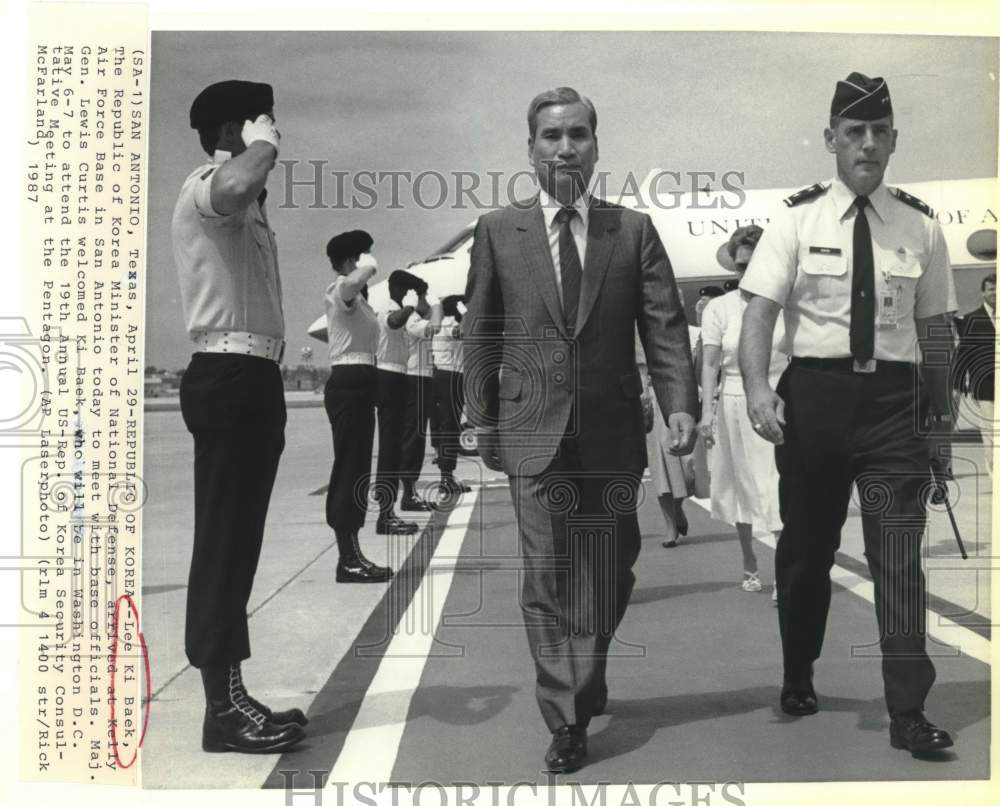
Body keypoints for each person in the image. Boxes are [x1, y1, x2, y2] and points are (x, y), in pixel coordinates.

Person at [463, 87, 697, 773]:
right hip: (532, 429)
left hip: (612, 433)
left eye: (577, 135)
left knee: (610, 566)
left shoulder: (630, 231)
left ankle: (586, 676)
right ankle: (566, 717)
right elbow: (482, 329)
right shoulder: (498, 230)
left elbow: (664, 327)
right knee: (545, 575)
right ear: (530, 148)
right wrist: (481, 418)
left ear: (597, 145)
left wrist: (680, 400)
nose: (564, 148)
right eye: (550, 136)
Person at [739, 72, 956, 754]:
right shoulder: (795, 220)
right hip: (816, 403)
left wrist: (941, 421)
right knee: (807, 552)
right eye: (854, 133)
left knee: (899, 555)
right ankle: (799, 669)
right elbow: (760, 314)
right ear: (831, 140)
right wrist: (755, 387)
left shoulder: (920, 226)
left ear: (894, 140)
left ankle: (907, 713)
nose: (867, 144)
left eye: (879, 133)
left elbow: (938, 331)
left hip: (896, 404)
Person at [174, 80, 306, 753]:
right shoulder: (208, 185)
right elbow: (230, 187)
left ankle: (230, 696)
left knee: (240, 541)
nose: (275, 133)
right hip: (228, 375)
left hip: (253, 376)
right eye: (263, 122)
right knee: (224, 542)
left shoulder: (245, 205)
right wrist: (262, 143)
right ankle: (220, 713)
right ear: (234, 132)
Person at [699, 226, 785, 593]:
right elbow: (709, 364)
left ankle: (785, 571)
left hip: (781, 399)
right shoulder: (719, 308)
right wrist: (706, 413)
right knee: (740, 488)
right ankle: (750, 561)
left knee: (777, 486)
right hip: (733, 402)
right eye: (739, 266)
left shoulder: (788, 303)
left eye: (753, 264)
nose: (745, 272)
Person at [323, 230, 393, 583]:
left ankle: (352, 553)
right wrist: (367, 268)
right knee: (350, 468)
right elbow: (349, 286)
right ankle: (347, 559)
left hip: (363, 381)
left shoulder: (360, 302)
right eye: (363, 254)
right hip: (349, 383)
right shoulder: (340, 290)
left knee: (359, 468)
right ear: (352, 260)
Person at [372, 271, 425, 535]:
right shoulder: (387, 307)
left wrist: (422, 298)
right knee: (390, 447)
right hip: (387, 375)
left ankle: (389, 511)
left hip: (399, 376)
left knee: (395, 446)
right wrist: (411, 304)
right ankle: (385, 513)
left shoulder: (400, 306)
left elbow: (426, 318)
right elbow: (394, 322)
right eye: (407, 291)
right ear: (398, 289)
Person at [399, 278, 443, 510]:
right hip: (414, 379)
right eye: (424, 296)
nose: (426, 301)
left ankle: (410, 492)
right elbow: (434, 327)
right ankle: (408, 494)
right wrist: (436, 305)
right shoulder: (412, 319)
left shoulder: (416, 318)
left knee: (417, 437)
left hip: (422, 379)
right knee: (413, 437)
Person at [431, 295, 473, 497]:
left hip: (451, 376)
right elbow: (461, 332)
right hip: (448, 377)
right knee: (449, 427)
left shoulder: (450, 323)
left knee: (451, 427)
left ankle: (447, 476)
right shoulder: (448, 324)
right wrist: (466, 312)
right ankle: (445, 478)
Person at [954, 273, 995, 476]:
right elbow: (964, 352)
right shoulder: (972, 319)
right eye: (991, 288)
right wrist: (958, 384)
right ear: (983, 292)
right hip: (985, 383)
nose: (995, 292)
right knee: (990, 431)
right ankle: (994, 472)